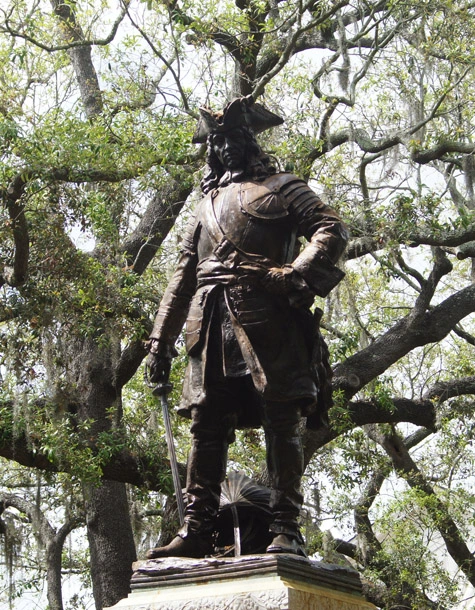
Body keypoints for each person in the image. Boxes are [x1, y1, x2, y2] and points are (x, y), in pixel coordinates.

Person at [145, 95, 348, 559]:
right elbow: (182, 277)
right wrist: (160, 341)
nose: (226, 147)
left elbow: (330, 228)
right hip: (208, 322)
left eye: (235, 137)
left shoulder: (283, 186)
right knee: (206, 425)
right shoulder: (205, 207)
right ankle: (197, 527)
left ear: (251, 141)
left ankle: (286, 527)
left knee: (281, 419)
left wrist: (292, 274)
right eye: (218, 141)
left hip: (268, 319)